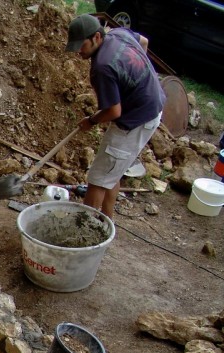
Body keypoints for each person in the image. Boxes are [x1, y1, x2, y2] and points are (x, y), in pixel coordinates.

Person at [65, 14, 165, 219]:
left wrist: (91, 121)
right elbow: (144, 42)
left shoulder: (101, 67)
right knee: (112, 171)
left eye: (81, 45)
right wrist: (138, 82)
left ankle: (83, 236)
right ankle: (106, 220)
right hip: (153, 104)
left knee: (97, 179)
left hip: (136, 120)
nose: (77, 52)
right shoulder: (119, 34)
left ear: (96, 38)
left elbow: (114, 112)